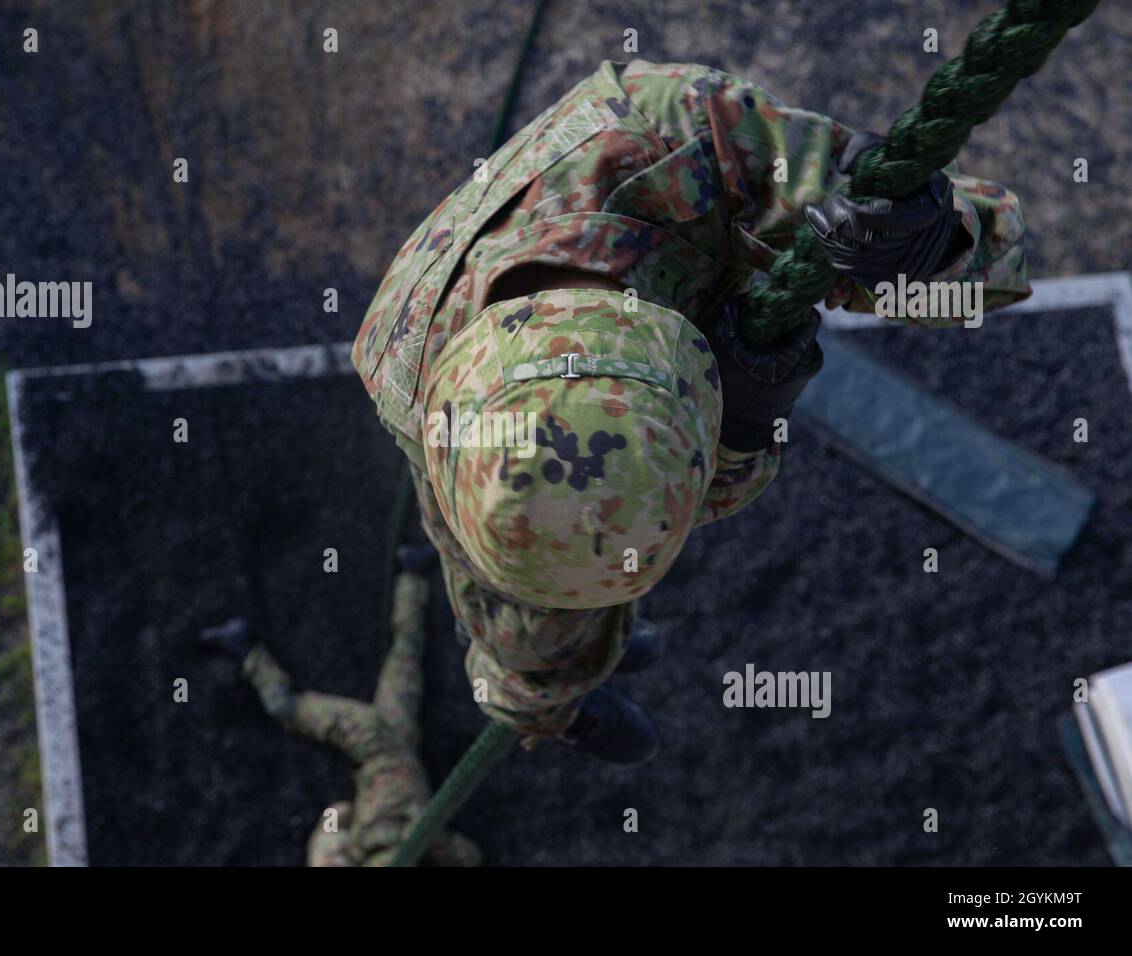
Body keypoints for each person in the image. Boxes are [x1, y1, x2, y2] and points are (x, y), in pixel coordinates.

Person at [351, 59, 1030, 763]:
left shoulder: (682, 136)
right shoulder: (403, 371)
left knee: (562, 576)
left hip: (625, 258)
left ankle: (564, 654)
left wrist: (936, 249)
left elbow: (991, 260)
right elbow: (664, 492)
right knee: (526, 624)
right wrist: (746, 423)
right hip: (446, 399)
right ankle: (540, 694)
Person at [200, 546, 481, 866]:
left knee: (292, 708)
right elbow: (470, 857)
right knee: (406, 658)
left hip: (370, 745)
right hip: (389, 747)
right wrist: (431, 837)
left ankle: (248, 652)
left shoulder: (359, 852)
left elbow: (334, 818)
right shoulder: (416, 846)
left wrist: (350, 828)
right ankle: (412, 574)